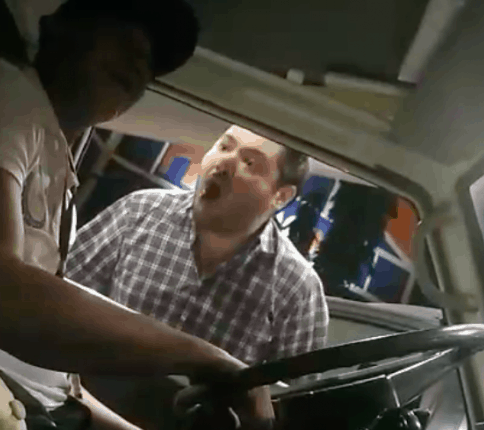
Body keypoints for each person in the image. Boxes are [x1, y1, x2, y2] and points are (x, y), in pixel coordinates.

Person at [0, 0, 273, 429]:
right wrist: (202, 356)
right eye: (124, 39)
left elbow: (60, 387)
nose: (140, 62)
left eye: (151, 65)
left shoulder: (53, 153)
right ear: (59, 27)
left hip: (21, 404)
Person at [65, 125, 329, 367]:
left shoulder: (297, 287)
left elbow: (295, 392)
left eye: (249, 163)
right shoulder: (139, 211)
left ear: (280, 196)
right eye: (224, 147)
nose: (224, 163)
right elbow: (64, 298)